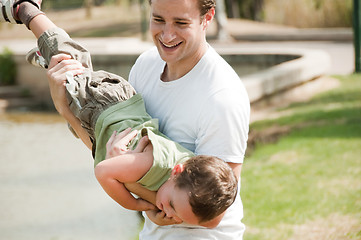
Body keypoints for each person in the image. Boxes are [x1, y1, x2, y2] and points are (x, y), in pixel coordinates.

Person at [0, 0, 239, 228]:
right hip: (108, 110)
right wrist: (135, 200)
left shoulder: (221, 96)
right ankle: (26, 9)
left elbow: (215, 217)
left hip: (104, 121)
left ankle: (45, 50)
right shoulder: (148, 65)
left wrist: (66, 111)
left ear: (207, 18)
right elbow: (103, 161)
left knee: (74, 71)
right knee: (71, 63)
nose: (167, 35)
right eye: (158, 19)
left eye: (181, 23)